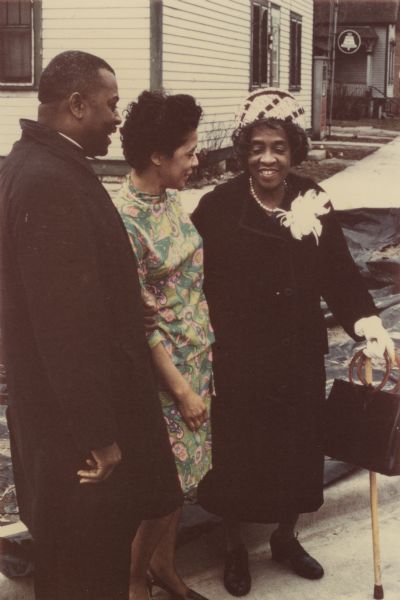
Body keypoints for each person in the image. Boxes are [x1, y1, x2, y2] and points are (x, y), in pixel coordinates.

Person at [191, 88, 395, 596]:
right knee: (238, 454)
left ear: (295, 149)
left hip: (299, 355)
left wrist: (367, 325)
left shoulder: (314, 200)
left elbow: (342, 277)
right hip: (239, 358)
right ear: (242, 150)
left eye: (278, 146)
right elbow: (192, 284)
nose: (267, 158)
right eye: (257, 146)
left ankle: (286, 536)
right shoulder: (218, 207)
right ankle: (236, 545)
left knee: (296, 453)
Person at [0, 51, 182, 600]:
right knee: (87, 569)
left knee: (69, 561)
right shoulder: (52, 182)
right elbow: (63, 328)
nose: (116, 118)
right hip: (74, 439)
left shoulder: (30, 163)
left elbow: (53, 293)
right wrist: (99, 438)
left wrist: (126, 304)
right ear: (76, 105)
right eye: (110, 105)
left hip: (51, 418)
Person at [113, 90, 214, 600]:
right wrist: (181, 391)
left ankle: (166, 568)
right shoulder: (123, 220)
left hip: (196, 360)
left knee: (184, 481)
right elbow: (137, 320)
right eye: (189, 152)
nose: (196, 161)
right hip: (164, 377)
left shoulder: (170, 198)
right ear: (157, 156)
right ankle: (135, 579)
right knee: (163, 487)